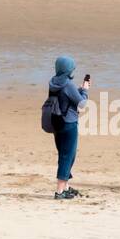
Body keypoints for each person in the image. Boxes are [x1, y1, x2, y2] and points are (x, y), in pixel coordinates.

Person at [46, 55, 90, 200]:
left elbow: (64, 96)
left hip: (56, 123)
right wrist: (84, 91)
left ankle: (65, 187)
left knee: (64, 154)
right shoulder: (68, 84)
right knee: (68, 156)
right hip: (69, 123)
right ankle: (59, 192)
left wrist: (77, 90)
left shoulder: (53, 81)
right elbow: (82, 104)